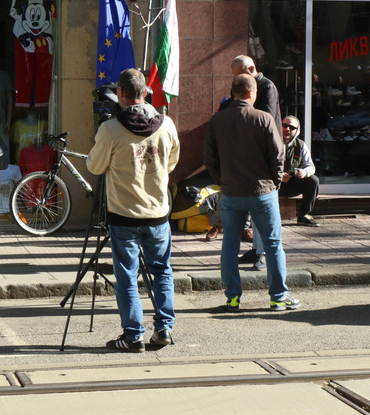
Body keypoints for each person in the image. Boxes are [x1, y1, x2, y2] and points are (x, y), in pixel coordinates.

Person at [86, 69, 180, 352]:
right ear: (146, 92)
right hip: (157, 212)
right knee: (161, 270)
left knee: (127, 275)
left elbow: (95, 167)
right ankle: (163, 327)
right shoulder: (167, 125)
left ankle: (133, 335)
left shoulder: (111, 128)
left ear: (121, 93)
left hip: (124, 214)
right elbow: (171, 162)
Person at [203, 74, 301, 312]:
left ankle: (233, 298)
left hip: (231, 192)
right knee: (273, 244)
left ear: (234, 91)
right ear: (251, 93)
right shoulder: (264, 118)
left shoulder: (217, 120)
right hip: (262, 191)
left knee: (230, 244)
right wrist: (275, 181)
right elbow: (277, 154)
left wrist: (221, 180)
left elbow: (209, 157)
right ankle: (278, 297)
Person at [226, 54, 280, 271]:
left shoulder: (266, 87)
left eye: (240, 74)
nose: (237, 80)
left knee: (264, 209)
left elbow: (265, 117)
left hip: (263, 155)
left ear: (251, 69)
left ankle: (263, 253)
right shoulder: (245, 90)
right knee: (253, 207)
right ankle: (257, 249)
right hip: (248, 155)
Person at [280, 115, 320, 226]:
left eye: (291, 127)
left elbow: (310, 166)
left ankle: (303, 215)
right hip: (273, 183)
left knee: (313, 180)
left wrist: (305, 172)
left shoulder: (301, 145)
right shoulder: (273, 142)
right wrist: (278, 175)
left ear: (297, 130)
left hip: (292, 183)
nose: (287, 129)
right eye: (284, 125)